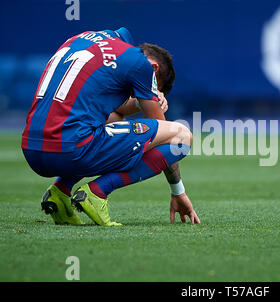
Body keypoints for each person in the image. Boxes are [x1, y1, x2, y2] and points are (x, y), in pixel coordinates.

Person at [21, 27, 200, 226]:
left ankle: (61, 191)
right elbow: (164, 133)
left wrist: (142, 102)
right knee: (182, 136)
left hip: (32, 150)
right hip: (71, 150)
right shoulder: (139, 63)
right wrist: (178, 191)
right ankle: (98, 192)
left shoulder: (79, 41)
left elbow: (113, 108)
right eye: (153, 87)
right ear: (154, 68)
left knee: (113, 119)